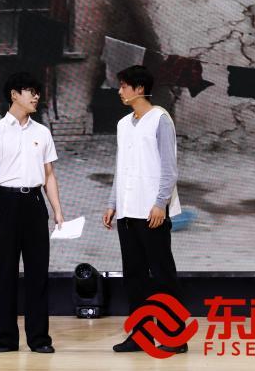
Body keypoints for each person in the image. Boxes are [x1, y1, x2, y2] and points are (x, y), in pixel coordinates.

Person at [0, 72, 65, 354]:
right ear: (14, 95)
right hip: (6, 204)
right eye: (30, 91)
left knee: (38, 273)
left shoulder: (42, 132)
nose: (36, 96)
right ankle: (5, 339)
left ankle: (39, 339)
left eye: (37, 92)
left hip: (35, 203)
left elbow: (49, 175)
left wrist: (57, 211)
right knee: (6, 273)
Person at [102, 65, 186, 354]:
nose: (120, 91)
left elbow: (169, 168)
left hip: (152, 212)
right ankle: (140, 336)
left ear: (139, 89)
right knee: (134, 276)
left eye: (124, 86)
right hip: (127, 211)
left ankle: (175, 336)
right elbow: (121, 167)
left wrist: (161, 203)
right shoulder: (123, 124)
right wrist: (112, 203)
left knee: (162, 275)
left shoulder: (160, 119)